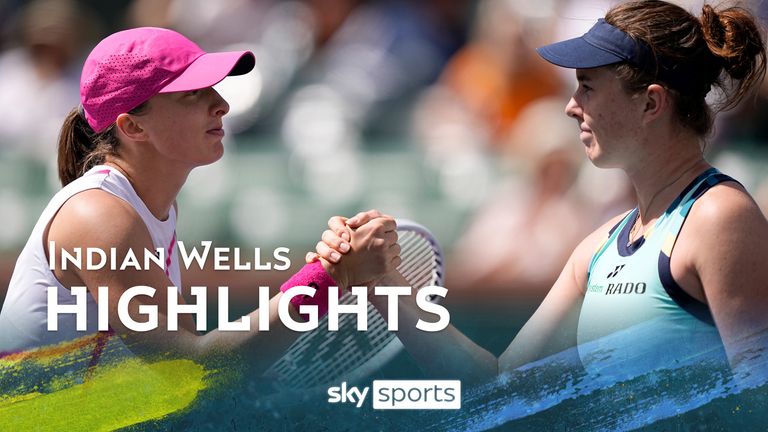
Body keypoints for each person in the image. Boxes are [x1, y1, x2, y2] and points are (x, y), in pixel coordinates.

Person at [314, 0, 768, 384]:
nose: (571, 106)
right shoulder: (599, 246)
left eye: (587, 87)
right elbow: (498, 382)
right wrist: (381, 284)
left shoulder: (719, 219)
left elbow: (757, 400)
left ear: (650, 103)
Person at [0, 27, 399, 376]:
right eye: (193, 94)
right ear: (132, 126)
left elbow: (185, 376)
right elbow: (193, 373)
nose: (221, 104)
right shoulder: (99, 216)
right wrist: (329, 277)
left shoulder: (153, 209)